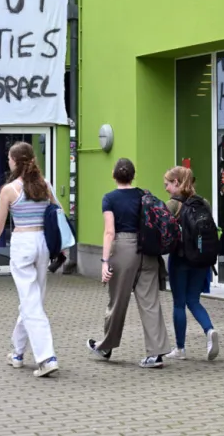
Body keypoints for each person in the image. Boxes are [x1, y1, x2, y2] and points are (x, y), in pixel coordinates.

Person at [0, 142, 60, 378]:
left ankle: (47, 358)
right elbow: (57, 212)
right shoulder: (44, 184)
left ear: (15, 161)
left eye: (9, 158)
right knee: (33, 300)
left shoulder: (9, 189)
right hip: (43, 244)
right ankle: (17, 353)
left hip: (23, 243)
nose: (8, 161)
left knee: (31, 304)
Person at [88, 158, 171, 369]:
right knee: (150, 302)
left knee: (117, 301)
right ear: (133, 176)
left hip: (124, 247)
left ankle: (106, 346)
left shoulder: (110, 199)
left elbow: (109, 231)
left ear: (114, 175)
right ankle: (155, 354)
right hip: (148, 250)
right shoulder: (144, 195)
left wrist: (105, 261)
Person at [162, 166, 219, 361]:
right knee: (193, 300)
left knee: (179, 303)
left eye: (168, 184)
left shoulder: (172, 205)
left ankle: (180, 349)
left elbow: (164, 231)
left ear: (176, 183)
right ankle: (209, 330)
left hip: (180, 259)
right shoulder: (203, 203)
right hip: (201, 259)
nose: (166, 188)